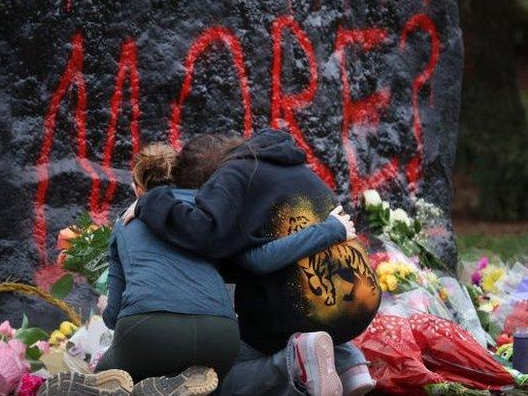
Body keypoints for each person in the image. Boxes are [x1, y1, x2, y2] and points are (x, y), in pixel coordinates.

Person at [42, 143, 356, 396]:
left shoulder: (127, 222)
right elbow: (256, 260)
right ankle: (340, 362)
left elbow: (114, 315)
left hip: (150, 331)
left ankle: (139, 388)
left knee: (110, 374)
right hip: (221, 334)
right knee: (220, 379)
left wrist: (109, 306)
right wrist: (330, 230)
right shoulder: (217, 216)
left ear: (138, 188)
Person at [124, 130, 380, 396]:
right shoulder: (287, 168)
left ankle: (293, 364)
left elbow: (207, 233)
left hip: (304, 310)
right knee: (308, 321)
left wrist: (152, 201)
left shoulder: (231, 178)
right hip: (361, 302)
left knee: (222, 375)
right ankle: (349, 364)